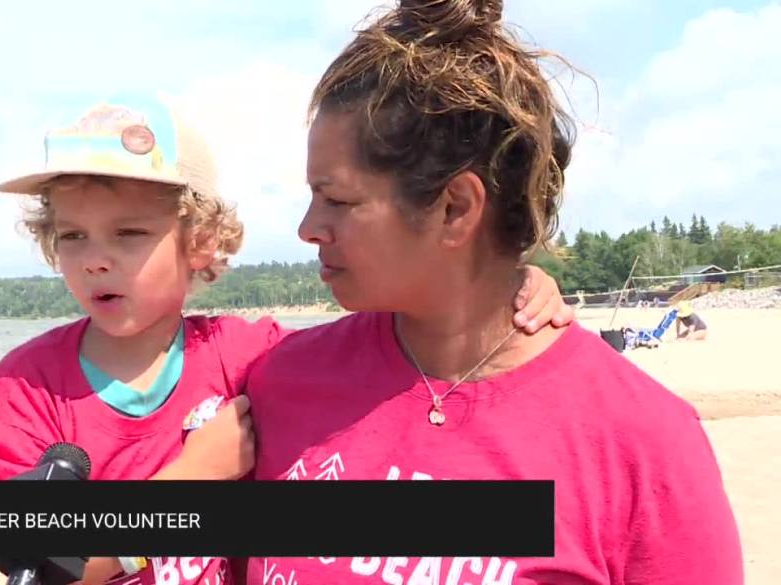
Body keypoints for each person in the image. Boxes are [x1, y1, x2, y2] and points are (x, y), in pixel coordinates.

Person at [0, 93, 572, 585]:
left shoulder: (249, 357)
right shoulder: (18, 395)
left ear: (200, 240)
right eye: (72, 237)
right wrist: (189, 482)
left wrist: (506, 286)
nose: (96, 261)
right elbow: (45, 568)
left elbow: (394, 340)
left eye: (127, 233)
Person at [240, 1, 743, 583]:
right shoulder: (279, 381)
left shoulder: (642, 445)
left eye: (337, 199)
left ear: (455, 208)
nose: (307, 228)